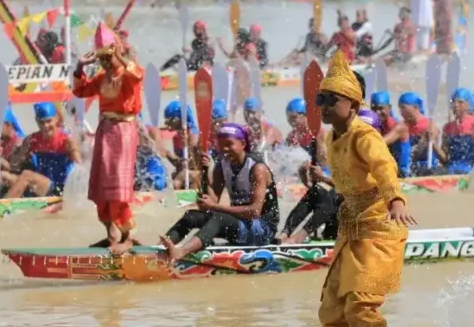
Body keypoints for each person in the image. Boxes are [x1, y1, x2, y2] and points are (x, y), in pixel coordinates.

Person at [315, 50, 415, 327]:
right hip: (351, 229)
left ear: (353, 104)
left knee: (361, 306)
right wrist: (325, 179)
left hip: (381, 226)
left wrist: (397, 200)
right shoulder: (331, 138)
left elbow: (384, 169)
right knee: (332, 309)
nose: (324, 106)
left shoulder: (364, 134)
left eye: (331, 100)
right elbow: (352, 180)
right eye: (320, 99)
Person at [72, 24, 145, 254]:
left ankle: (128, 237)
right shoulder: (102, 77)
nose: (102, 63)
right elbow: (80, 91)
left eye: (106, 57)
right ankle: (110, 234)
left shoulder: (128, 73)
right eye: (100, 58)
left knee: (118, 188)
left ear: (115, 52)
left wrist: (119, 56)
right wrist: (80, 66)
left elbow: (138, 74)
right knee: (101, 188)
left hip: (124, 131)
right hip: (105, 131)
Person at [160, 123, 280, 259]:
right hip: (240, 223)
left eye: (229, 144)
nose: (224, 149)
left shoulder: (257, 169)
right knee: (191, 216)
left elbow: (254, 211)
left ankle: (181, 252)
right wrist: (205, 172)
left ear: (242, 143)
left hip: (263, 230)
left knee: (219, 218)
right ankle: (159, 249)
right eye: (221, 145)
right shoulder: (222, 166)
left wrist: (214, 206)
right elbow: (210, 202)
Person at [279, 108, 382, 244]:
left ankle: (299, 238)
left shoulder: (378, 158)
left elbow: (354, 189)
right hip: (343, 216)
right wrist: (305, 173)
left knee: (332, 195)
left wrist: (323, 178)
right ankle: (285, 234)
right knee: (317, 191)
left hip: (366, 222)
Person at [4, 103, 82, 199]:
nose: (45, 126)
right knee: (3, 176)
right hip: (38, 185)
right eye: (41, 122)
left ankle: (0, 209)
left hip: (60, 189)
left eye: (49, 121)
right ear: (36, 121)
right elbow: (14, 167)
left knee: (27, 175)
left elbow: (81, 169)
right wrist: (22, 152)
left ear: (56, 118)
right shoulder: (32, 140)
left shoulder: (66, 141)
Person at [434, 88, 474, 174]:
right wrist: (433, 143)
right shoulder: (447, 128)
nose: (455, 105)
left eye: (460, 102)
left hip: (471, 170)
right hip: (451, 170)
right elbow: (444, 159)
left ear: (467, 105)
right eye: (453, 102)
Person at [369, 92, 411, 178]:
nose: (377, 112)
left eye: (381, 108)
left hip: (404, 174)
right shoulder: (375, 126)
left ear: (389, 108)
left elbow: (378, 144)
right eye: (374, 109)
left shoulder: (399, 127)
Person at [161, 101, 201, 189]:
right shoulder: (176, 136)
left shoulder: (193, 134)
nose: (167, 124)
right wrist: (167, 154)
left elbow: (195, 163)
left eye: (170, 120)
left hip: (198, 172)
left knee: (180, 178)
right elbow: (179, 164)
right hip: (184, 172)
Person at [398, 92, 439, 175]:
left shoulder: (430, 125)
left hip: (427, 167)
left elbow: (418, 151)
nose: (401, 111)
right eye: (400, 108)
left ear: (415, 107)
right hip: (411, 166)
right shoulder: (403, 126)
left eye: (403, 107)